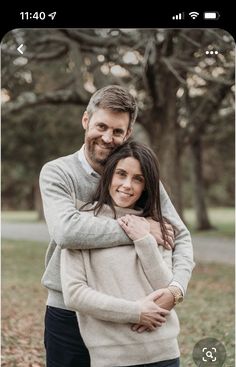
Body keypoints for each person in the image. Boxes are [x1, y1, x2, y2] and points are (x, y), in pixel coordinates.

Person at [39, 85, 194, 367]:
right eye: (101, 126)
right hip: (68, 310)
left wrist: (176, 290)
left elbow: (179, 235)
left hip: (132, 308)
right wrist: (140, 230)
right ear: (86, 121)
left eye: (118, 131)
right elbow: (66, 232)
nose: (107, 137)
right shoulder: (58, 172)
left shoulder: (138, 174)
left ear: (128, 133)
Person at [61, 139, 183, 367]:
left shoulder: (157, 226)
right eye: (121, 174)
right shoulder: (82, 224)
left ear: (146, 186)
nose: (127, 185)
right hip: (111, 357)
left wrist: (144, 240)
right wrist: (135, 312)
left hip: (164, 353)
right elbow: (74, 294)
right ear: (109, 175)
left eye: (138, 179)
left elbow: (166, 287)